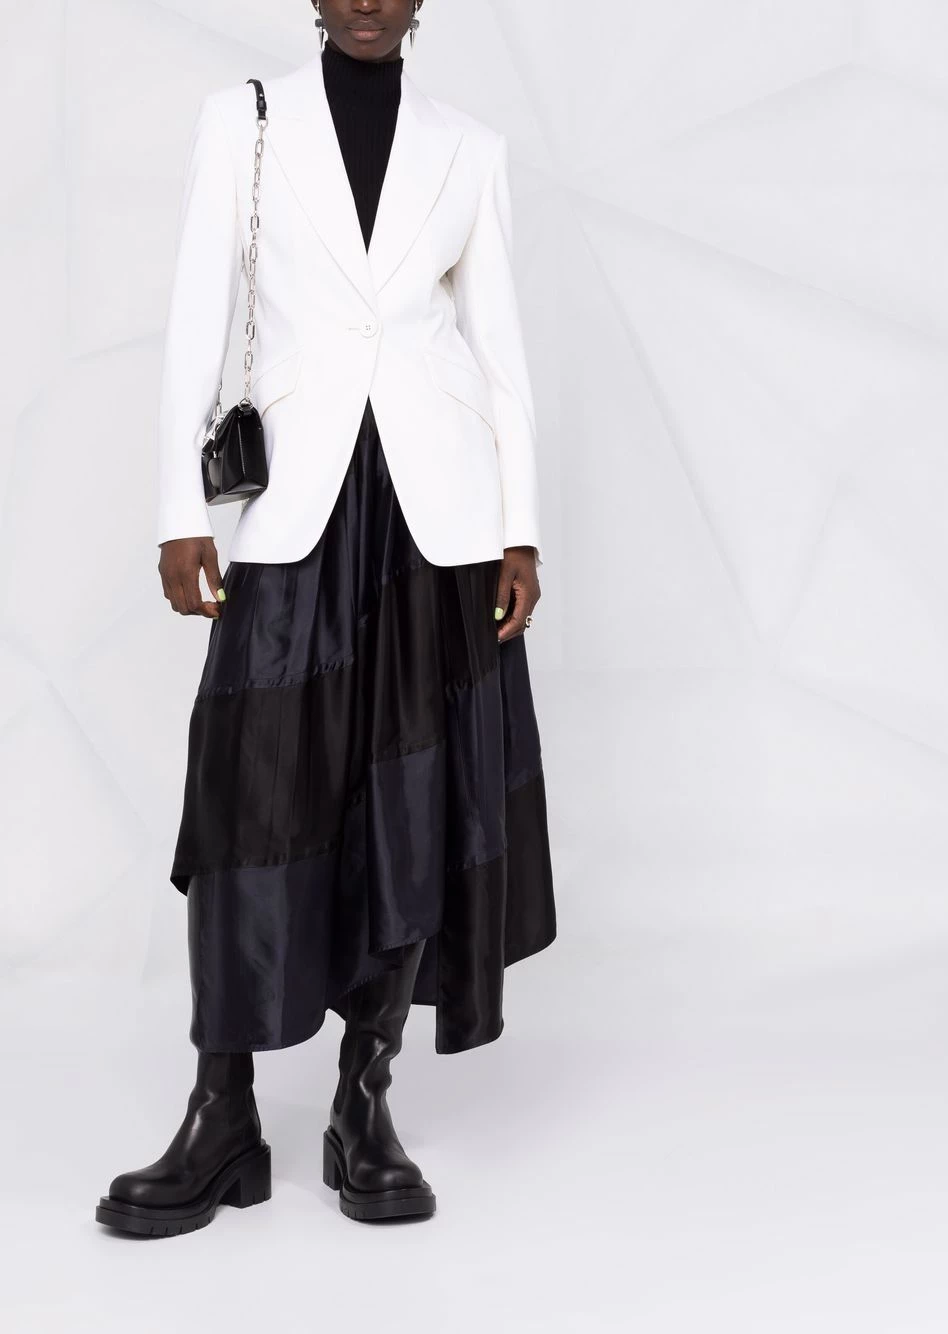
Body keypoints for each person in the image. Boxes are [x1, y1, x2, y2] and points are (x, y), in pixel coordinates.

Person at [95, 0, 556, 1236]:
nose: (365, 1)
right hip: (294, 497)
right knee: (248, 796)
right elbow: (197, 317)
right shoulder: (243, 124)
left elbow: (498, 348)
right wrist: (179, 512)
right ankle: (221, 1113)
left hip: (436, 514)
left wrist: (520, 525)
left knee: (410, 796)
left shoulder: (470, 148)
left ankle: (364, 1100)